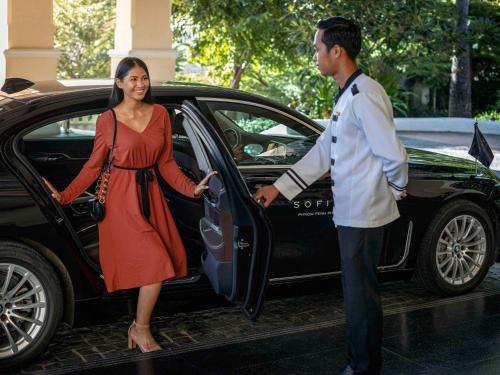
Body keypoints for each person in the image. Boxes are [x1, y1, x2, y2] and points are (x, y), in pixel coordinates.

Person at [253, 17, 408, 375]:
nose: (315, 55)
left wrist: (396, 188)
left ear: (336, 51)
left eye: (317, 48)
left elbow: (394, 155)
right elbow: (324, 150)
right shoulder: (348, 94)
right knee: (358, 294)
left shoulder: (363, 95)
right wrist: (279, 188)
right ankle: (360, 364)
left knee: (360, 297)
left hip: (364, 213)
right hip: (354, 211)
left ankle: (362, 367)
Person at [43, 57, 216, 353]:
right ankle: (141, 329)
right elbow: (93, 167)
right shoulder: (107, 120)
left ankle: (138, 327)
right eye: (133, 79)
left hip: (150, 193)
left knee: (154, 264)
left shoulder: (160, 114)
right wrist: (65, 195)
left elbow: (166, 163)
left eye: (144, 78)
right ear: (119, 83)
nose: (140, 84)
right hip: (120, 199)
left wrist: (192, 187)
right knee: (156, 262)